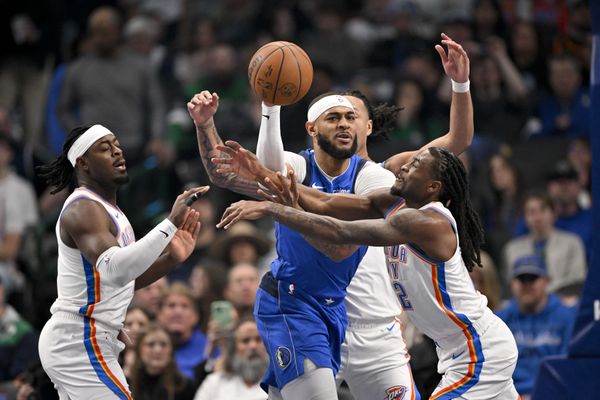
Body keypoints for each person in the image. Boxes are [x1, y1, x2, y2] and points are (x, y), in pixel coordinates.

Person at [190, 33, 474, 400]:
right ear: (312, 127)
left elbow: (456, 142)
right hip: (306, 306)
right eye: (333, 115)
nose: (344, 123)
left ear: (367, 125)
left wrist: (460, 83)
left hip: (374, 324)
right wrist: (207, 124)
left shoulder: (389, 175)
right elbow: (230, 173)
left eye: (352, 115)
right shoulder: (296, 164)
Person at [218, 146, 519, 400]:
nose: (403, 168)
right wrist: (263, 174)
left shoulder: (429, 222)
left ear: (432, 188)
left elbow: (340, 231)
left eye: (414, 166)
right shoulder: (396, 204)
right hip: (455, 350)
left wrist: (273, 209)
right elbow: (327, 203)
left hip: (478, 349)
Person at [35, 124, 206, 399]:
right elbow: (114, 270)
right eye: (105, 148)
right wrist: (170, 224)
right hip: (79, 337)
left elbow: (123, 280)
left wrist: (171, 259)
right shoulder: (83, 208)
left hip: (85, 338)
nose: (117, 151)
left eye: (116, 145)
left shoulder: (110, 211)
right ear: (83, 164)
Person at [496, 255, 576, 399]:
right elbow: (494, 367)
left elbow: (569, 365)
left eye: (532, 278)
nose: (527, 284)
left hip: (554, 393)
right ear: (511, 284)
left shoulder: (566, 316)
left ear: (546, 281)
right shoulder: (500, 319)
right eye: (521, 279)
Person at [503, 192, 587, 300]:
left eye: (543, 210)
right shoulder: (512, 250)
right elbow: (512, 285)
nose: (537, 217)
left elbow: (577, 282)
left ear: (554, 213)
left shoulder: (573, 243)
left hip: (564, 303)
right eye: (531, 212)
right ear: (525, 218)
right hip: (526, 304)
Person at [193, 317, 268, 400]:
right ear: (234, 348)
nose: (253, 346)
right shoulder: (214, 383)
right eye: (245, 341)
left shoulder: (278, 383)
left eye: (258, 339)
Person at [129, 322, 196, 400]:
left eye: (163, 344)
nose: (158, 350)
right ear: (139, 349)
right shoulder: (127, 384)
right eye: (151, 344)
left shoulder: (185, 386)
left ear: (171, 349)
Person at [157, 282, 208, 380]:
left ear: (196, 316)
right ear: (159, 314)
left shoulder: (210, 348)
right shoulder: (148, 346)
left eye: (185, 306)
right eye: (171, 306)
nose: (178, 312)